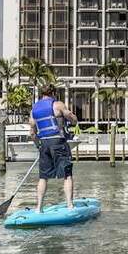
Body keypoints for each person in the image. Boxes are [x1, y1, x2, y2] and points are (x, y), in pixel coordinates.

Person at [28, 84, 78, 212]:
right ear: (53, 93)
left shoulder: (34, 109)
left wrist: (38, 145)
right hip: (58, 141)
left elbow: (32, 133)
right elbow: (72, 119)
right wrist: (73, 119)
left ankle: (38, 208)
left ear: (41, 93)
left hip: (43, 144)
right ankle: (70, 206)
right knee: (67, 174)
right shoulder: (57, 104)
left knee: (43, 177)